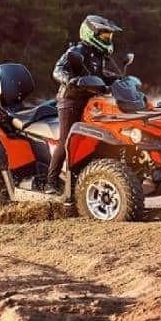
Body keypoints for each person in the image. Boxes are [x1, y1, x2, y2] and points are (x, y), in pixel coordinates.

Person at [43, 15, 122, 194]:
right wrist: (70, 80)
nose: (107, 39)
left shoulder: (98, 55)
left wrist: (118, 80)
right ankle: (51, 182)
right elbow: (58, 70)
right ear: (90, 33)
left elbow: (100, 75)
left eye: (109, 37)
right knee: (67, 141)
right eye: (104, 36)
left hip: (91, 102)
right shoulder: (78, 51)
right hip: (70, 100)